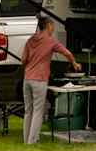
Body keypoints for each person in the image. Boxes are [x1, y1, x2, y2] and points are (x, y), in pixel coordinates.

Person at [20, 15, 79, 144]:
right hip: (40, 79)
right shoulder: (51, 41)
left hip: (27, 78)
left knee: (28, 111)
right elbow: (67, 53)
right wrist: (74, 63)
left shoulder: (30, 40)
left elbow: (23, 60)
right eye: (52, 26)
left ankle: (26, 140)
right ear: (48, 26)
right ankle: (33, 141)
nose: (53, 29)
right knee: (38, 111)